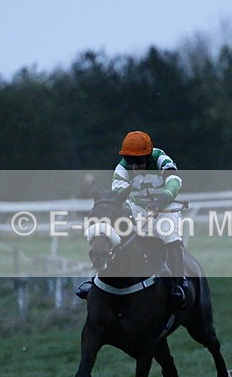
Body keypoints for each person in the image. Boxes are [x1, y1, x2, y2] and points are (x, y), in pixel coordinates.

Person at [77, 130, 189, 305]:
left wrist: (163, 199)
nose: (135, 167)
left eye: (140, 162)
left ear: (148, 155)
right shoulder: (122, 169)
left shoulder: (160, 159)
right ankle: (98, 281)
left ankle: (178, 286)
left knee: (170, 237)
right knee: (116, 236)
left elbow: (174, 180)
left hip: (166, 206)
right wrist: (128, 212)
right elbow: (121, 196)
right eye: (131, 162)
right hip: (137, 207)